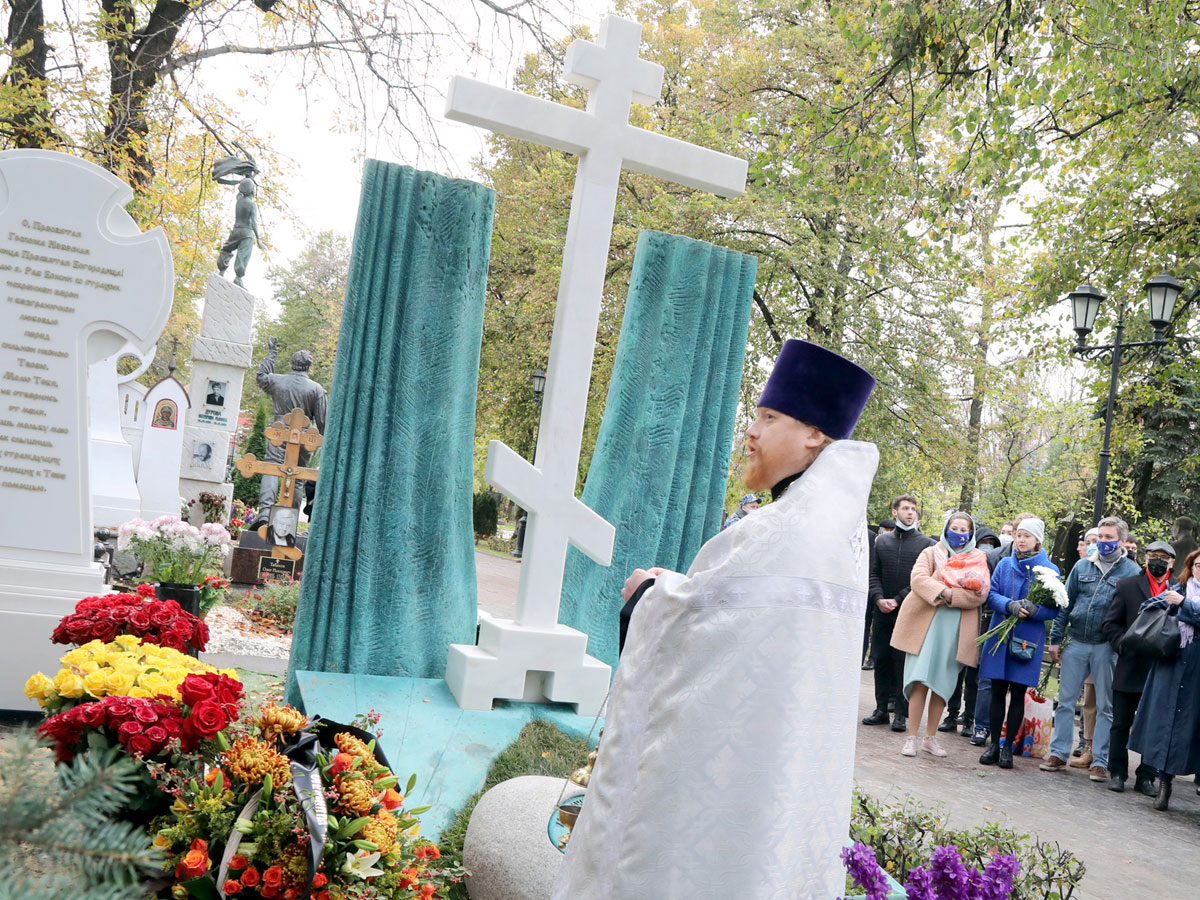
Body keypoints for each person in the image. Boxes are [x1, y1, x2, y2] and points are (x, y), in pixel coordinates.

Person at [554, 339, 877, 899]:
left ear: (814, 434)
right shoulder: (837, 531)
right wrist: (683, 589)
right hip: (775, 774)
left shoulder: (781, 528)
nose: (751, 431)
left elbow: (703, 633)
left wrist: (652, 593)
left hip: (723, 784)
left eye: (769, 417)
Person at [1042, 517, 1140, 780]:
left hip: (1107, 647)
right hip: (1076, 641)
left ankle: (1100, 759)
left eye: (1109, 538)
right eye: (1101, 537)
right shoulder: (1082, 566)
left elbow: (1135, 615)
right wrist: (1055, 638)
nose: (1104, 542)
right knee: (1065, 702)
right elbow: (1066, 603)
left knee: (1106, 706)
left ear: (1121, 541)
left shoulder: (1131, 572)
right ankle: (1058, 753)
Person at [891, 512, 989, 757]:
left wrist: (953, 596)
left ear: (971, 532)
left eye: (963, 529)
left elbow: (980, 594)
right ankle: (911, 738)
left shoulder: (979, 558)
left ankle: (930, 738)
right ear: (946, 529)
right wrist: (944, 589)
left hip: (955, 630)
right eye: (953, 528)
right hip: (925, 627)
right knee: (919, 680)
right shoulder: (931, 552)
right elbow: (918, 579)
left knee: (942, 685)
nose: (958, 533)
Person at [978, 517, 1060, 769]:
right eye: (1018, 535)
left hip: (1027, 640)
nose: (1021, 540)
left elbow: (1054, 609)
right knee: (996, 690)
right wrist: (1008, 605)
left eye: (1027, 536)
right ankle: (993, 745)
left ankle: (1006, 748)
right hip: (1000, 637)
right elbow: (990, 595)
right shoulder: (1003, 564)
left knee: (1017, 694)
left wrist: (1035, 610)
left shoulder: (1049, 570)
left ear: (1038, 541)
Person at [1102, 540, 1179, 795]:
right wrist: (1122, 645)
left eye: (1163, 557)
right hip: (1130, 665)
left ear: (1172, 562)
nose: (1158, 560)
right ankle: (1117, 772)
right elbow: (1110, 623)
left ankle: (1146, 776)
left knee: (1155, 725)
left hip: (1162, 668)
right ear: (1146, 558)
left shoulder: (1180, 590)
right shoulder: (1127, 586)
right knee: (1121, 722)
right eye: (1153, 555)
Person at [1128, 547, 1200, 812]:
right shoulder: (1176, 590)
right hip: (1171, 665)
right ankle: (1163, 784)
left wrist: (1184, 605)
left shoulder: (1182, 599)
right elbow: (1146, 608)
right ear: (1190, 567)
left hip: (1196, 671)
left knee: (1191, 729)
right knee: (1166, 724)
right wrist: (1168, 604)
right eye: (1198, 565)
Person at [863, 494, 935, 732]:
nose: (910, 512)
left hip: (909, 611)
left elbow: (921, 579)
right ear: (895, 512)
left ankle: (901, 715)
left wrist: (897, 599)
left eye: (913, 509)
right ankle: (881, 709)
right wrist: (878, 598)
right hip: (881, 610)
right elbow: (873, 573)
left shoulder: (926, 545)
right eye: (905, 508)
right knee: (881, 659)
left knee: (903, 662)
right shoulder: (881, 542)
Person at [252, 337, 328, 520]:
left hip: (279, 432)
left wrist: (272, 354)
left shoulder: (277, 381)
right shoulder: (317, 390)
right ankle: (288, 520)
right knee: (298, 475)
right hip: (303, 436)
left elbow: (261, 376)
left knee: (271, 467)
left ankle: (264, 513)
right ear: (308, 366)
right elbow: (324, 422)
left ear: (293, 364)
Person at [940, 522, 1000, 734]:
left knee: (974, 677)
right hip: (966, 620)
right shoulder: (967, 562)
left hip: (985, 624)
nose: (987, 547)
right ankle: (951, 714)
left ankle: (969, 719)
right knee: (957, 673)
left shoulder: (994, 565)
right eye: (983, 543)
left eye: (991, 544)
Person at [216, 176, 263, 287]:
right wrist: (258, 238)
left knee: (226, 249)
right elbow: (254, 222)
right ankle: (238, 277)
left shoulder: (239, 200)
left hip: (236, 230)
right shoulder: (252, 204)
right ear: (252, 190)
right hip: (247, 233)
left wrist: (247, 178)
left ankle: (221, 270)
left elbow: (241, 188)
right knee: (243, 255)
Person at [1170, 516, 1198, 584]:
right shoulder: (1197, 547)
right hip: (1191, 585)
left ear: (1178, 528)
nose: (1172, 529)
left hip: (1174, 584)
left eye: (1173, 526)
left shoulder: (1173, 547)